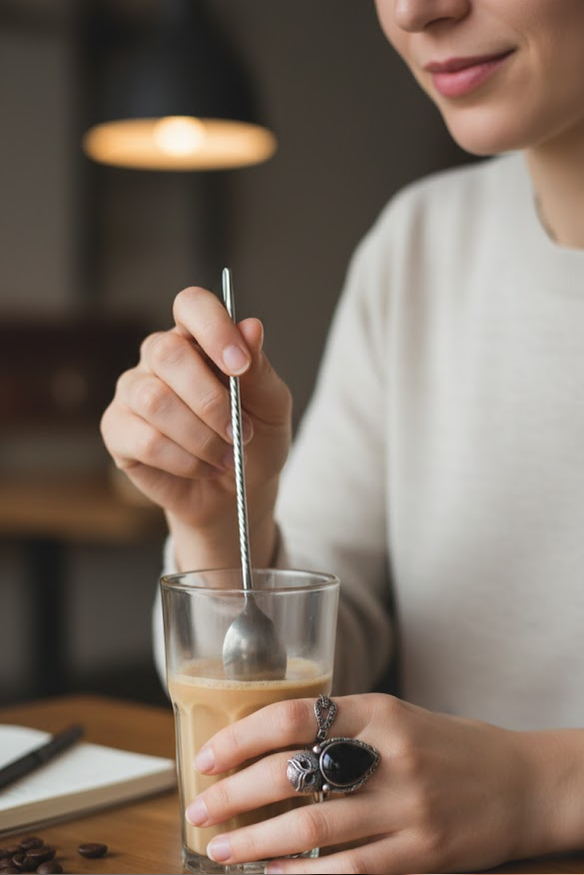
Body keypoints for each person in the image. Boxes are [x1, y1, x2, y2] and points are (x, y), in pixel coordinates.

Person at [100, 0, 584, 872]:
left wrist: (538, 785)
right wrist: (217, 522)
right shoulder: (421, 244)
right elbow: (318, 662)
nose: (414, 10)